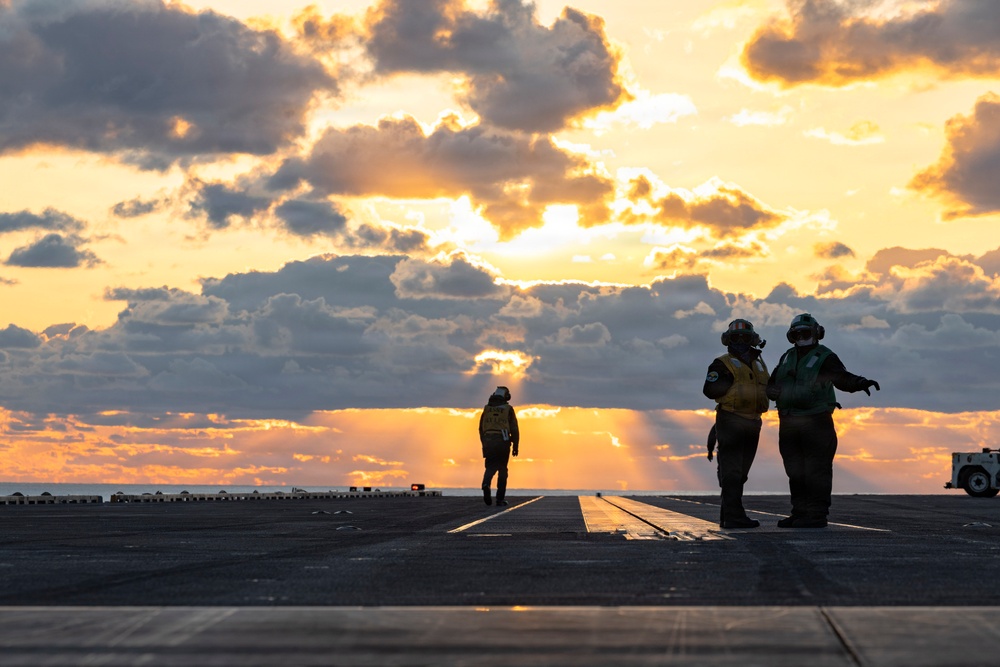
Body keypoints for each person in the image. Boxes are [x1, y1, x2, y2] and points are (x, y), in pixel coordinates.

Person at [767, 313, 880, 528]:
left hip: (816, 422)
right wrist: (770, 390)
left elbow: (841, 377)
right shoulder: (787, 357)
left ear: (817, 333)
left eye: (806, 333)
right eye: (797, 334)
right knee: (795, 470)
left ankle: (816, 516)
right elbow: (772, 382)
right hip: (789, 423)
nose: (802, 337)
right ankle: (799, 513)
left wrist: (860, 382)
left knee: (817, 470)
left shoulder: (824, 357)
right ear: (791, 336)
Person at [703, 319, 770, 529]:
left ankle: (729, 515)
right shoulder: (722, 364)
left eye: (745, 338)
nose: (740, 341)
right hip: (731, 420)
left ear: (753, 340)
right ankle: (733, 516)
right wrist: (728, 383)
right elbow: (709, 390)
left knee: (741, 473)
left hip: (753, 422)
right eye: (736, 338)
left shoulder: (759, 364)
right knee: (731, 472)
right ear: (728, 340)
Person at [479, 386, 519, 507]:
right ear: (506, 396)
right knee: (502, 470)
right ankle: (500, 499)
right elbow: (514, 429)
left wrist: (484, 444)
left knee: (490, 467)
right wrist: (516, 446)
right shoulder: (508, 409)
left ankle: (486, 483)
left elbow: (481, 428)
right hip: (503, 442)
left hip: (488, 440)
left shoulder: (487, 409)